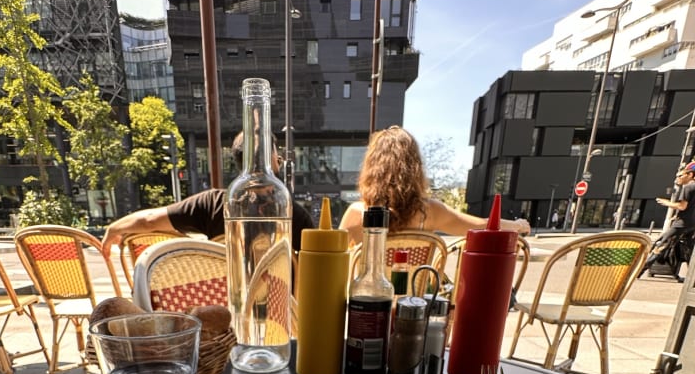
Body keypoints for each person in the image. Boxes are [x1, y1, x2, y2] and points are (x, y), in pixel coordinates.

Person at [102, 132, 314, 257]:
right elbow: (311, 273)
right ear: (276, 163)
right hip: (283, 315)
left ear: (238, 164)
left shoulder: (212, 203)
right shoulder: (293, 213)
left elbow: (149, 221)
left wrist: (115, 227)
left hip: (223, 312)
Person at [338, 126, 531, 245]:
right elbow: (482, 225)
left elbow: (333, 258)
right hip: (415, 303)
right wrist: (518, 225)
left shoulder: (357, 213)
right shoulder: (429, 211)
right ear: (414, 168)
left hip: (366, 304)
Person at [641, 163, 695, 279]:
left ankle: (640, 270)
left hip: (682, 224)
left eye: (680, 176)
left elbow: (682, 206)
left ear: (690, 175)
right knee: (689, 250)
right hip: (692, 224)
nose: (677, 179)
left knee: (662, 243)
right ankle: (692, 278)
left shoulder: (688, 187)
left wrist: (667, 203)